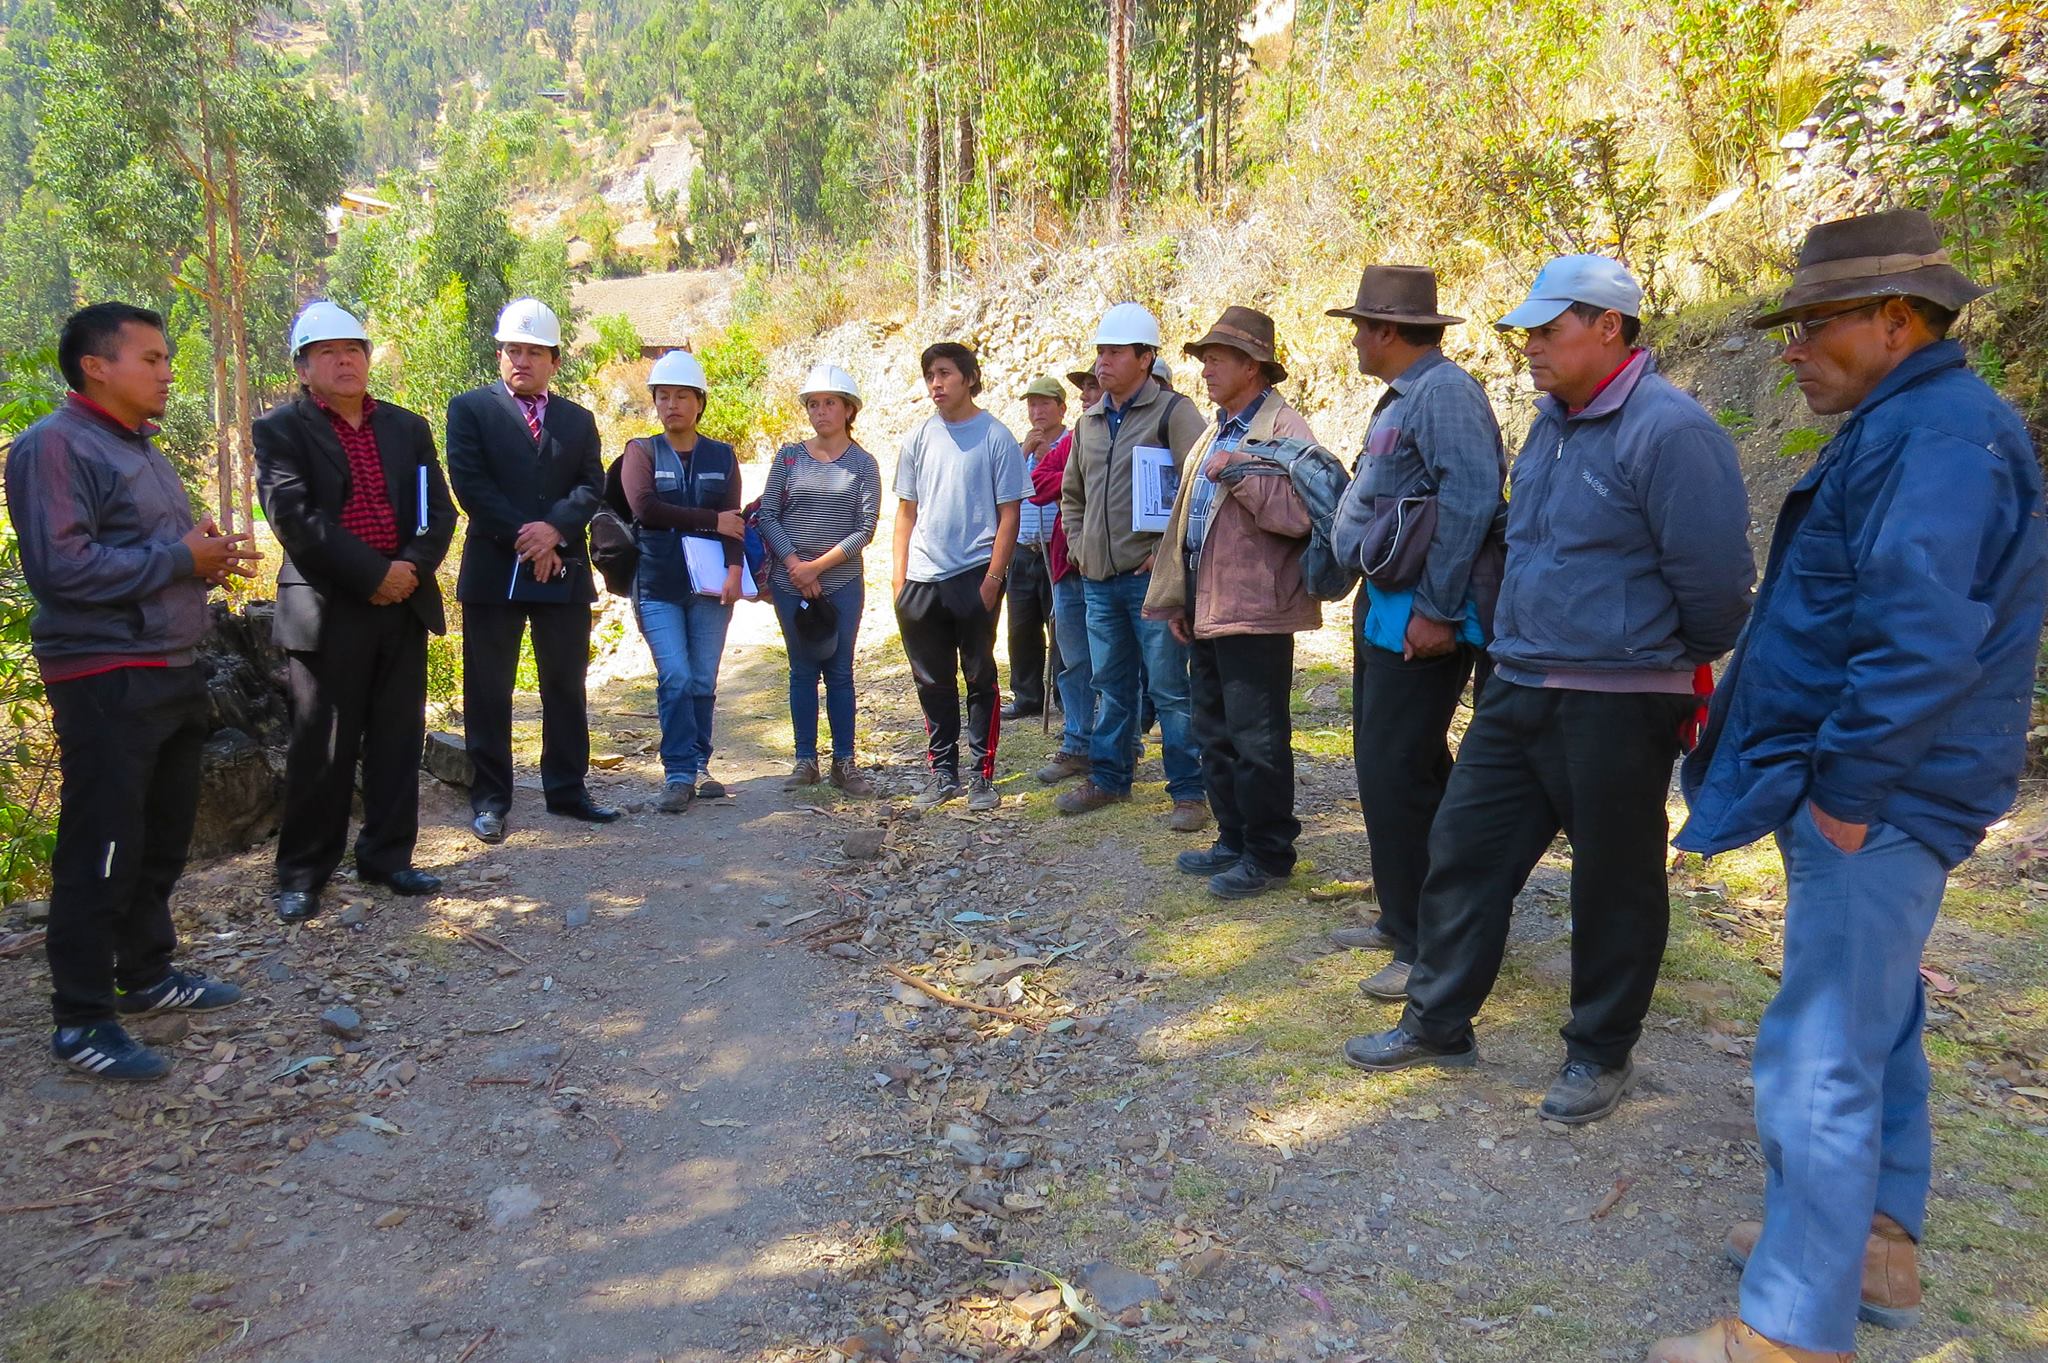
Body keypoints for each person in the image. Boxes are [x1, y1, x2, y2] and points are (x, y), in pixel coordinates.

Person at [1652, 211, 2048, 1363]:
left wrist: (1850, 789)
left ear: (1893, 320)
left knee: (1820, 1046)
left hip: (1878, 796)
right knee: (1874, 1023)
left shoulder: (1937, 434)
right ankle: (1870, 1243)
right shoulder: (1922, 422)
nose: (1790, 346)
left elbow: (1920, 636)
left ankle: (1786, 1327)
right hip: (1882, 789)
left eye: (1811, 323)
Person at [1343, 255, 1754, 1127]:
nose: (1529, 345)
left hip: (1618, 697)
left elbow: (1717, 591)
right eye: (1526, 330)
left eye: (1546, 328)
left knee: (1614, 878)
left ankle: (1599, 1051)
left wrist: (1639, 659)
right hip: (1520, 680)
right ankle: (1438, 1021)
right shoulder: (1552, 424)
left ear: (1608, 327)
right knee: (1462, 850)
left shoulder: (1669, 431)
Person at [5, 302, 259, 1080]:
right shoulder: (54, 446)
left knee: (159, 835)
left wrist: (204, 557)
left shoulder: (140, 448)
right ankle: (81, 1018)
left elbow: (152, 553)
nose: (166, 371)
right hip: (106, 674)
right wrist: (180, 559)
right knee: (103, 845)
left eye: (167, 358)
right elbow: (61, 569)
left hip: (171, 664)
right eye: (150, 358)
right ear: (95, 365)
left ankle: (146, 974)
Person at [1323, 267, 1506, 994]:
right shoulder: (1406, 396)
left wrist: (1436, 607)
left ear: (1389, 331)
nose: (1357, 340)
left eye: (1362, 327)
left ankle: (1433, 944)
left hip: (1421, 613)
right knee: (1396, 763)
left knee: (1397, 767)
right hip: (1388, 606)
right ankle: (1405, 918)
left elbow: (1469, 500)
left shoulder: (1447, 394)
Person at [255, 301, 458, 925]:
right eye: (327, 352)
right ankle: (303, 873)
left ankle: (387, 856)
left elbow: (436, 512)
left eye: (354, 349)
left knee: (398, 738)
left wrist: (409, 569)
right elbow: (293, 518)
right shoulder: (280, 431)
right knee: (324, 744)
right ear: (303, 367)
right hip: (328, 607)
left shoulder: (406, 427)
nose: (344, 361)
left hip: (403, 602)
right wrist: (372, 574)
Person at [1144, 306, 1319, 898]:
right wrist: (1177, 599)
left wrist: (1241, 473)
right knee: (1213, 730)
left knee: (1257, 736)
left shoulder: (1285, 429)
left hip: (1257, 607)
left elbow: (1301, 517)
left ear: (1254, 366)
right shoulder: (1217, 429)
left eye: (1218, 358)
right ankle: (1234, 839)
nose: (1207, 368)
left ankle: (1269, 854)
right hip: (1209, 601)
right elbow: (1185, 524)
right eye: (1204, 358)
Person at [446, 297, 615, 843]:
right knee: (489, 689)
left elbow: (592, 485)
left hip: (561, 569)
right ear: (500, 355)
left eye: (534, 352)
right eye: (513, 350)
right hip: (496, 569)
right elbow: (470, 484)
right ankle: (492, 799)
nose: (522, 360)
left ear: (555, 361)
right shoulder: (471, 410)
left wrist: (555, 532)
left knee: (565, 684)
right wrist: (529, 535)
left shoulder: (577, 420)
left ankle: (567, 790)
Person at [1057, 303, 1209, 830]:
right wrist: (1078, 545)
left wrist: (1165, 558)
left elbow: (1200, 493)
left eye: (1116, 352)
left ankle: (1189, 791)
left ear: (1146, 358)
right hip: (1098, 580)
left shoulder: (1174, 413)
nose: (1103, 363)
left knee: (1169, 687)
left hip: (1152, 581)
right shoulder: (1089, 422)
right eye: (1100, 351)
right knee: (1111, 684)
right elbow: (1071, 495)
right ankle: (1109, 777)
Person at [892, 342, 1029, 811]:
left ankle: (982, 775)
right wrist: (898, 579)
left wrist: (993, 578)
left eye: (946, 373)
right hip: (921, 579)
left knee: (978, 675)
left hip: (973, 574)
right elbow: (906, 512)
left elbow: (1009, 514)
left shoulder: (995, 436)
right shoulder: (917, 439)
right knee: (931, 680)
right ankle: (942, 771)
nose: (936, 383)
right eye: (930, 374)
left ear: (969, 377)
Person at [620, 349, 743, 814]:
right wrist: (711, 519)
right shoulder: (641, 452)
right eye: (663, 396)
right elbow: (646, 508)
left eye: (682, 396)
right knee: (674, 674)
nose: (672, 404)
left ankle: (699, 765)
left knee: (702, 678)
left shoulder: (721, 455)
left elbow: (734, 519)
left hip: (711, 586)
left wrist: (735, 569)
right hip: (657, 583)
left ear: (699, 402)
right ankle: (676, 772)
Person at [760, 363, 882, 796]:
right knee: (801, 669)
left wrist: (818, 567)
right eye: (814, 404)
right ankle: (804, 759)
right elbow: (768, 515)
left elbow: (865, 528)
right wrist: (795, 564)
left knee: (840, 671)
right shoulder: (789, 456)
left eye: (830, 403)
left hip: (842, 583)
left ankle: (844, 763)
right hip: (791, 584)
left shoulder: (863, 463)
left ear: (849, 409)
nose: (821, 411)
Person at [1031, 367, 1094, 783]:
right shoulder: (1072, 441)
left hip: (1118, 565)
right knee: (1073, 661)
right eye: (1086, 388)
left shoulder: (1140, 432)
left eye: (1095, 387)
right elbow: (1037, 482)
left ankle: (1118, 747)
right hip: (1067, 564)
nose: (1089, 394)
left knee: (1118, 663)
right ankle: (1077, 744)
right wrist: (1076, 477)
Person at [1003, 376, 1066, 721]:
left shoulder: (1072, 444)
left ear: (1061, 407)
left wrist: (1047, 457)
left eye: (1044, 403)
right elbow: (1002, 486)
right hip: (1023, 549)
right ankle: (1026, 694)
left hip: (1056, 550)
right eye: (1032, 404)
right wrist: (1026, 451)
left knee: (1060, 627)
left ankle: (1063, 697)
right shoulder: (1019, 448)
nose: (1037, 411)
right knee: (1020, 627)